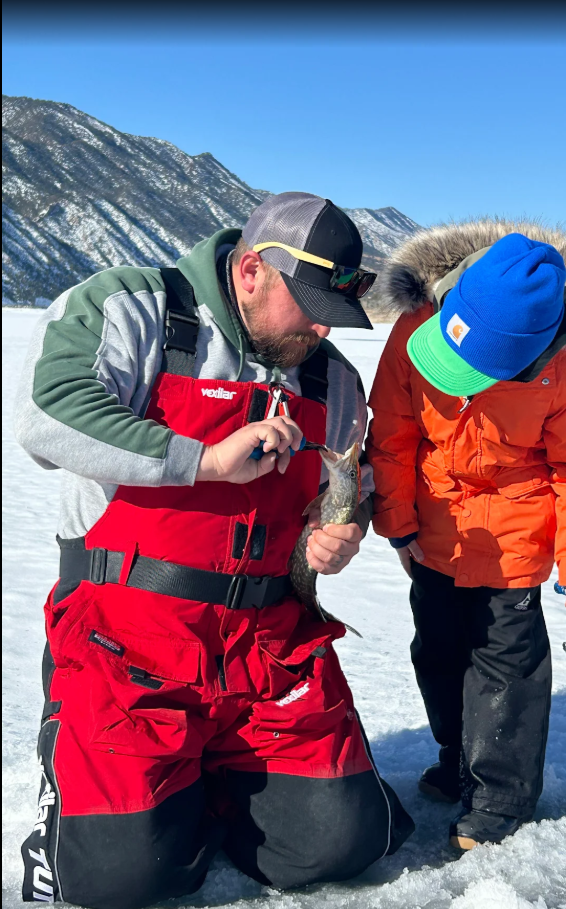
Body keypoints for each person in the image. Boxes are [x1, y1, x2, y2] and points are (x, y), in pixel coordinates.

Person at [16, 192, 413, 908]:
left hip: (266, 650)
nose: (322, 327)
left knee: (342, 844)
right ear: (254, 270)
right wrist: (198, 457)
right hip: (126, 642)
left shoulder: (332, 379)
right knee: (115, 881)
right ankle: (103, 776)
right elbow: (48, 413)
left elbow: (350, 486)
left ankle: (207, 779)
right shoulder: (134, 308)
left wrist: (338, 532)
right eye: (310, 304)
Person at [365, 224, 566, 850]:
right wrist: (397, 524)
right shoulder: (413, 326)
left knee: (505, 669)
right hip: (433, 533)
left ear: (535, 354)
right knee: (438, 652)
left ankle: (499, 800)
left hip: (516, 541)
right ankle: (458, 760)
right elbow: (393, 436)